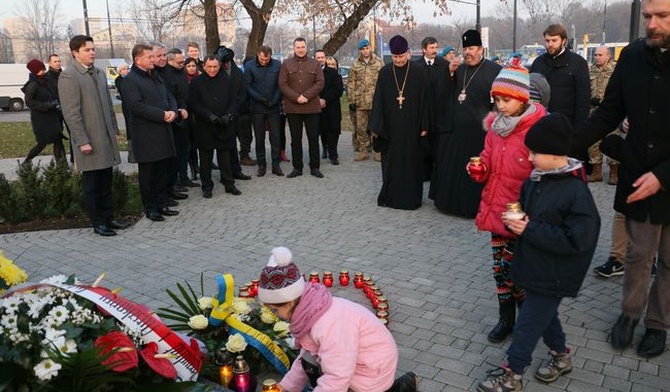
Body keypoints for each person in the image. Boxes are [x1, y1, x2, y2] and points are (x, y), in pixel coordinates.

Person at [573, 0, 670, 358]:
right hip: (638, 175)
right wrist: (567, 144)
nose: (653, 24)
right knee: (638, 254)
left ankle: (658, 325)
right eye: (648, 16)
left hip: (665, 179)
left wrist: (662, 176)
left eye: (662, 16)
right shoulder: (631, 57)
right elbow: (608, 112)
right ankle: (629, 315)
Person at [477, 113, 601, 392]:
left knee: (528, 324)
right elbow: (528, 212)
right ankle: (560, 355)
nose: (529, 157)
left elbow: (578, 240)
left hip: (556, 272)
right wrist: (516, 216)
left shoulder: (575, 191)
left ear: (556, 154)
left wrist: (528, 229)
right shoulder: (536, 180)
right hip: (534, 264)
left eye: (534, 152)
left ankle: (513, 373)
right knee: (545, 317)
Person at [257, 246, 418, 392]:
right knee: (310, 363)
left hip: (371, 371)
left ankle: (400, 388)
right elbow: (306, 358)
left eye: (275, 310)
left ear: (291, 301)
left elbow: (337, 378)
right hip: (354, 361)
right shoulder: (310, 310)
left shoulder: (328, 323)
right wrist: (286, 387)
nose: (276, 315)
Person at [470, 61, 547, 344]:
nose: (500, 106)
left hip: (523, 216)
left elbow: (543, 174)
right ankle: (506, 318)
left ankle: (530, 318)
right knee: (500, 272)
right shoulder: (495, 129)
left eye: (506, 100)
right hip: (497, 213)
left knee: (516, 272)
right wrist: (480, 169)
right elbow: (487, 160)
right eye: (497, 99)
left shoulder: (537, 130)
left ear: (522, 99)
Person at [59, 35, 129, 236]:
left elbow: (108, 105)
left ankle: (109, 217)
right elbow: (71, 113)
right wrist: (82, 141)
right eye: (87, 50)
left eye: (92, 49)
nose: (92, 52)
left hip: (105, 138)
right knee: (92, 185)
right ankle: (98, 222)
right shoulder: (69, 76)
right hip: (88, 141)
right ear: (75, 53)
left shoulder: (98, 73)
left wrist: (114, 131)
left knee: (106, 182)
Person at [430, 29, 502, 218]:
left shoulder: (495, 71)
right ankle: (449, 204)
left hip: (480, 135)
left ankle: (475, 208)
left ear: (481, 49)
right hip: (455, 133)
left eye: (471, 48)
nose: (467, 53)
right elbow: (441, 95)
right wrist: (449, 73)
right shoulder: (457, 69)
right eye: (465, 49)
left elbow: (500, 105)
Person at [120, 43, 181, 222]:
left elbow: (168, 96)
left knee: (162, 171)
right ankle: (151, 208)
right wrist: (162, 115)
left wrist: (173, 111)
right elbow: (136, 106)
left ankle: (162, 203)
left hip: (163, 131)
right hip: (146, 135)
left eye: (153, 57)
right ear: (138, 60)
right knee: (149, 175)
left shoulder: (154, 76)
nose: (153, 60)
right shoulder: (130, 80)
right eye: (150, 57)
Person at [368, 35, 429, 210]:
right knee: (392, 163)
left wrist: (424, 124)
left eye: (401, 56)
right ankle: (391, 196)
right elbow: (378, 100)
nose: (399, 60)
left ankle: (411, 198)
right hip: (391, 128)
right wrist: (376, 126)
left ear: (408, 54)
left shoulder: (418, 72)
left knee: (411, 163)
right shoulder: (385, 72)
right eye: (395, 57)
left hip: (412, 126)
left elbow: (425, 100)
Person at [187, 55, 241, 198]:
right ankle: (207, 186)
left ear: (219, 66)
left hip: (224, 124)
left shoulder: (227, 81)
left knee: (225, 157)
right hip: (205, 125)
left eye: (215, 67)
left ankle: (229, 183)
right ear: (204, 66)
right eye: (209, 67)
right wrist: (208, 115)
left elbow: (235, 101)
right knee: (205, 159)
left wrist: (228, 115)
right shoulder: (196, 82)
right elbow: (193, 103)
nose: (212, 69)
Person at [279, 37, 325, 178]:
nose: (300, 49)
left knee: (313, 139)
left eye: (303, 47)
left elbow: (320, 83)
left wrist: (306, 96)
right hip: (293, 108)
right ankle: (297, 167)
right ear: (294, 48)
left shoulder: (315, 64)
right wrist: (296, 97)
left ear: (306, 48)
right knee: (295, 139)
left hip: (311, 107)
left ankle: (315, 167)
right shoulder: (286, 64)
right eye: (298, 47)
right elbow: (282, 84)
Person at [245, 45, 284, 177]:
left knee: (275, 136)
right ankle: (262, 164)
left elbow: (281, 84)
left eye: (266, 60)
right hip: (257, 107)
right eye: (262, 59)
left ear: (270, 56)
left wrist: (276, 99)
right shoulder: (250, 66)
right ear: (258, 55)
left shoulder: (277, 65)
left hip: (274, 105)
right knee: (259, 137)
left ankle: (275, 164)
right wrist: (259, 99)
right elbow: (248, 86)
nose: (264, 62)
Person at [415, 36, 449, 182]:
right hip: (423, 110)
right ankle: (424, 171)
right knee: (424, 143)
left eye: (436, 47)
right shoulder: (416, 66)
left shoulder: (443, 64)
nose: (435, 50)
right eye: (432, 48)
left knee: (438, 142)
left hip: (439, 110)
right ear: (424, 49)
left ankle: (438, 170)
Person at [164, 48, 198, 188]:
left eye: (183, 61)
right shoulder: (166, 75)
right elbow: (171, 96)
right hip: (175, 119)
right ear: (170, 61)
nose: (182, 64)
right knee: (177, 151)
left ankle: (184, 177)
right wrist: (178, 110)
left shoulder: (181, 73)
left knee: (186, 149)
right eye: (179, 62)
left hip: (186, 117)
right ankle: (176, 180)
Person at [22, 58, 66, 164]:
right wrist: (46, 105)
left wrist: (55, 103)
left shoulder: (44, 81)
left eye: (43, 68)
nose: (43, 71)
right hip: (41, 120)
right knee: (42, 144)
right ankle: (27, 161)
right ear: (34, 71)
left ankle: (62, 166)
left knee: (57, 141)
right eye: (40, 70)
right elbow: (29, 101)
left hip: (52, 118)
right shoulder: (33, 84)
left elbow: (51, 94)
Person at [586, 45, 619, 184]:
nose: (597, 57)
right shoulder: (591, 70)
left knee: (612, 139)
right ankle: (596, 172)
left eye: (600, 55)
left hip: (611, 110)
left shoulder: (615, 69)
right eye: (596, 55)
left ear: (608, 56)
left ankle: (614, 173)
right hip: (594, 111)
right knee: (593, 142)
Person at [347, 39, 384, 162]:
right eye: (362, 49)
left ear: (370, 48)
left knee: (375, 127)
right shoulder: (355, 64)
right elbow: (351, 83)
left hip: (375, 101)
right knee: (361, 127)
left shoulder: (379, 62)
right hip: (360, 101)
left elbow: (385, 81)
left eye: (367, 48)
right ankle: (363, 150)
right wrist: (351, 100)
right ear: (360, 51)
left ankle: (377, 150)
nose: (365, 51)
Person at [315, 50, 344, 165]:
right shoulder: (311, 72)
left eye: (322, 57)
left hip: (332, 106)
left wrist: (325, 99)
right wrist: (317, 99)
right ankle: (324, 148)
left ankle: (333, 154)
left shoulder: (333, 73)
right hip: (316, 106)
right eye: (318, 57)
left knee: (333, 130)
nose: (320, 59)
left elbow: (338, 89)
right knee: (321, 129)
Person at [184, 57, 201, 181]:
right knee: (191, 146)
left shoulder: (200, 79)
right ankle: (194, 169)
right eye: (189, 66)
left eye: (193, 66)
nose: (191, 68)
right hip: (188, 116)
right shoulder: (183, 79)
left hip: (200, 115)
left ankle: (203, 166)